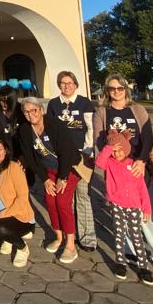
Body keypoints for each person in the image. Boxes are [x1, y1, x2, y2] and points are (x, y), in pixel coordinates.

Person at [95, 74, 153, 275]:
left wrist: (141, 160)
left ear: (126, 89)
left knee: (151, 210)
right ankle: (130, 251)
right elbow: (99, 140)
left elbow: (147, 138)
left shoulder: (137, 109)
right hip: (117, 169)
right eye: (112, 88)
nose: (116, 92)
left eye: (120, 88)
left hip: (139, 166)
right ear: (107, 91)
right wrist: (112, 157)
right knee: (122, 213)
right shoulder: (102, 112)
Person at [17, 96, 80, 263]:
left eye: (34, 110)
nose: (31, 114)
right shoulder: (24, 130)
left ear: (41, 110)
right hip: (49, 171)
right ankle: (59, 237)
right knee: (50, 202)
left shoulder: (55, 125)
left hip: (68, 169)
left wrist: (63, 177)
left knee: (62, 202)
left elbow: (67, 152)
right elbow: (30, 158)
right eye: (26, 112)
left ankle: (71, 244)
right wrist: (45, 179)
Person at [96, 130, 153, 284]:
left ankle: (143, 266)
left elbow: (142, 189)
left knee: (137, 236)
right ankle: (120, 262)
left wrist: (146, 208)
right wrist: (109, 148)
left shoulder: (133, 165)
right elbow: (99, 162)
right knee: (119, 234)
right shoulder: (109, 163)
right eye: (115, 151)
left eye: (120, 150)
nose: (117, 154)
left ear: (127, 149)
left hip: (133, 206)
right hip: (117, 204)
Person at [47, 71, 96, 252]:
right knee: (66, 199)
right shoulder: (54, 104)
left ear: (75, 84)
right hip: (61, 158)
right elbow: (50, 130)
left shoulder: (85, 103)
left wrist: (87, 152)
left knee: (82, 196)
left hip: (81, 157)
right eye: (63, 83)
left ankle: (87, 237)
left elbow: (91, 128)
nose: (66, 86)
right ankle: (70, 234)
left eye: (70, 83)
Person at [0, 137, 35, 268]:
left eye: (0, 149)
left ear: (6, 151)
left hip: (18, 215)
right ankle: (9, 237)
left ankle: (22, 248)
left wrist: (4, 213)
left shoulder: (14, 167)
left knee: (2, 229)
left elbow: (22, 198)